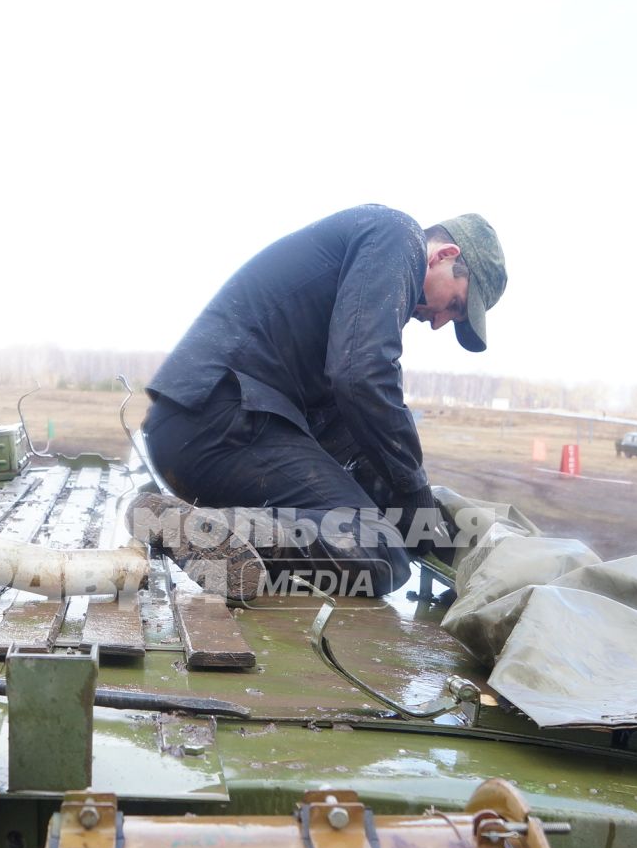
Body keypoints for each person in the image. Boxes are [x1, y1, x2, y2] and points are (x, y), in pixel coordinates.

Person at [137, 205, 505, 598]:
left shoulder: (364, 266)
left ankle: (205, 526)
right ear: (445, 255)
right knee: (378, 550)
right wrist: (412, 486)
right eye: (455, 306)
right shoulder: (400, 236)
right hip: (221, 419)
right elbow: (361, 376)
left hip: (203, 425)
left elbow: (355, 417)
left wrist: (410, 508)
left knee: (380, 517)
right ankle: (200, 529)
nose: (438, 323)